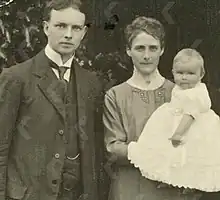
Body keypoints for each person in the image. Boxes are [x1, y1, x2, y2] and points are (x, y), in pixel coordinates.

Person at [0, 0, 105, 199]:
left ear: (83, 33)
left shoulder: (92, 83)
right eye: (60, 26)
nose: (68, 34)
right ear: (46, 28)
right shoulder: (16, 78)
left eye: (75, 28)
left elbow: (96, 150)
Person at [103, 16, 202, 200]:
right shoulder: (115, 95)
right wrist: (152, 153)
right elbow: (113, 149)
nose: (147, 55)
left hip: (169, 189)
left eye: (153, 48)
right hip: (129, 189)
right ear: (128, 50)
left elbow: (196, 140)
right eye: (140, 48)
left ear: (162, 50)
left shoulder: (179, 93)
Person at [128, 48, 220, 195]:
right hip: (175, 118)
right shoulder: (180, 88)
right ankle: (168, 179)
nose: (184, 78)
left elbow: (190, 114)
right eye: (180, 73)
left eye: (190, 74)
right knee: (166, 151)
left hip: (192, 127)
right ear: (173, 72)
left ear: (201, 74)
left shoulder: (197, 92)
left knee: (191, 157)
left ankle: (190, 185)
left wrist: (178, 133)